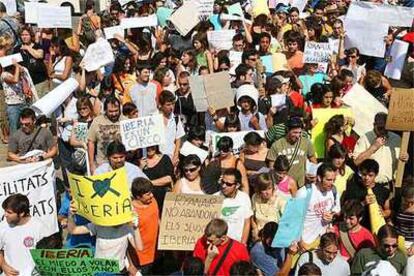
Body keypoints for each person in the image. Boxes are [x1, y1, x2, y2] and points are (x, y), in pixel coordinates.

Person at [68, 199, 144, 274]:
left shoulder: (127, 227)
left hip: (118, 271)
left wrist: (135, 227)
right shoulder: (100, 225)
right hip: (99, 270)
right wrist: (70, 215)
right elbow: (74, 230)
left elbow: (140, 248)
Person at [353, 112, 408, 184]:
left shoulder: (396, 139)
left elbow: (400, 160)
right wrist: (373, 147)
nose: (383, 131)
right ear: (374, 125)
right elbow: (356, 162)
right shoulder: (365, 138)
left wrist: (405, 158)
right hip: (369, 184)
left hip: (388, 184)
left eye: (386, 128)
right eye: (380, 128)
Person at [0, 194, 47, 276]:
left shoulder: (39, 227)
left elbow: (46, 254)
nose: (5, 215)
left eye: (9, 212)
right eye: (5, 211)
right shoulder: (2, 226)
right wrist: (3, 265)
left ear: (21, 213)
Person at [298, 163, 341, 250]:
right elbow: (293, 220)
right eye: (328, 180)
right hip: (305, 242)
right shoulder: (304, 193)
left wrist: (331, 216)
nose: (332, 183)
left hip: (323, 241)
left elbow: (337, 211)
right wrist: (300, 242)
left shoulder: (333, 191)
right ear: (319, 178)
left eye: (333, 180)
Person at [267, 117, 317, 188]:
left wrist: (312, 174)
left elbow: (313, 160)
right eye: (295, 132)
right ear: (287, 130)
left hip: (301, 185)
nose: (298, 136)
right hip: (283, 185)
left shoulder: (306, 142)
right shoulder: (276, 145)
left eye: (300, 133)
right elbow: (271, 168)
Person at [342, 159, 391, 230]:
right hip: (356, 228)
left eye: (370, 175)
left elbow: (388, 210)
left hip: (376, 228)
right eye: (364, 174)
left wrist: (384, 213)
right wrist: (363, 203)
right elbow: (346, 209)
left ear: (376, 175)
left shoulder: (383, 190)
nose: (366, 178)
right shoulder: (352, 188)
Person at [215, 168, 253, 244]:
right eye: (223, 182)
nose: (224, 186)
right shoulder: (215, 198)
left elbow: (247, 222)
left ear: (237, 185)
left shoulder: (244, 198)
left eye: (228, 184)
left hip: (237, 244)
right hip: (219, 244)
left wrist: (243, 244)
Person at [131, 177, 159, 275]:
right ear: (138, 196)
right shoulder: (131, 212)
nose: (152, 195)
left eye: (151, 192)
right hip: (141, 258)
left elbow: (157, 219)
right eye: (148, 194)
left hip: (156, 253)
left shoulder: (153, 201)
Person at [140, 145, 174, 214]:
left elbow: (169, 178)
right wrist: (140, 168)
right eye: (147, 147)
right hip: (148, 200)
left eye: (152, 146)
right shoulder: (140, 162)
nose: (150, 149)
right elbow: (138, 182)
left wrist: (149, 183)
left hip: (164, 198)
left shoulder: (165, 158)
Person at [251, 173, 286, 241]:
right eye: (264, 189)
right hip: (258, 236)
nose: (267, 192)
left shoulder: (279, 200)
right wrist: (254, 228)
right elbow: (251, 216)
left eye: (269, 188)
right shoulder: (255, 197)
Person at [158, 90, 185, 166]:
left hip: (172, 156)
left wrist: (176, 156)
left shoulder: (176, 118)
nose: (171, 107)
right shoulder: (154, 119)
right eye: (168, 105)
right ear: (161, 105)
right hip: (159, 158)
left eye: (173, 104)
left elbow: (178, 138)